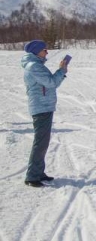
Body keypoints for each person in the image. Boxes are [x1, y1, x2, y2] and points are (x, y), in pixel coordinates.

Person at [21, 40, 68, 187]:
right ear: (36, 51)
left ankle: (38, 172)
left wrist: (61, 71)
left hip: (44, 106)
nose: (47, 52)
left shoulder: (36, 65)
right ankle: (32, 177)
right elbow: (52, 82)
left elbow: (50, 83)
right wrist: (61, 70)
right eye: (44, 50)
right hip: (41, 107)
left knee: (43, 142)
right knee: (40, 142)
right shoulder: (34, 66)